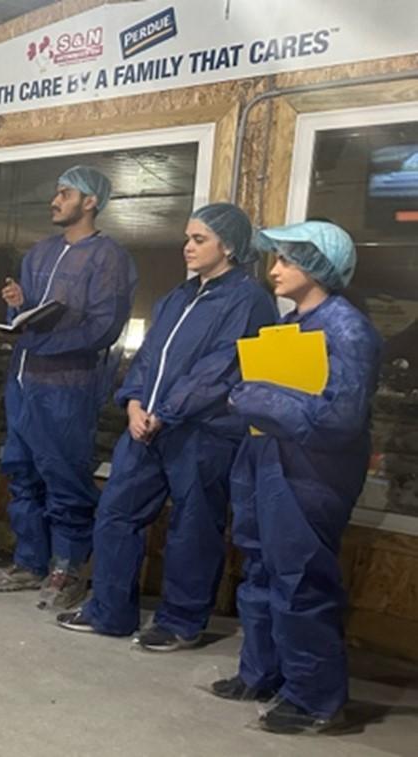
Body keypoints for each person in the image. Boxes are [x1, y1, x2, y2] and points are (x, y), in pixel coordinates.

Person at [56, 203, 278, 649]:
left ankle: (181, 621)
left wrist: (168, 410)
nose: (188, 247)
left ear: (230, 246)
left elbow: (223, 367)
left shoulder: (248, 301)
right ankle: (110, 610)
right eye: (187, 238)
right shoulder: (177, 297)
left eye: (199, 240)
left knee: (194, 526)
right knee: (116, 511)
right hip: (147, 427)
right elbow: (148, 356)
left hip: (204, 431)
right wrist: (135, 403)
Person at [210, 221, 381, 734]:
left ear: (320, 266)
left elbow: (341, 417)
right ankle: (263, 673)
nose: (275, 270)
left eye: (288, 260)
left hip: (312, 472)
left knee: (301, 578)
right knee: (262, 566)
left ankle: (316, 699)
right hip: (268, 459)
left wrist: (261, 397)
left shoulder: (347, 329)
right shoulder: (297, 326)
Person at [0, 165, 136, 609]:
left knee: (65, 476)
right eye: (56, 193)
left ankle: (68, 567)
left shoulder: (109, 258)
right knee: (23, 472)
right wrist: (19, 306)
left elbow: (104, 326)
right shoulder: (40, 253)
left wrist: (43, 342)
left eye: (65, 193)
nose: (55, 200)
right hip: (23, 379)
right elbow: (34, 315)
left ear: (90, 202)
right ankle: (30, 560)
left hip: (67, 387)